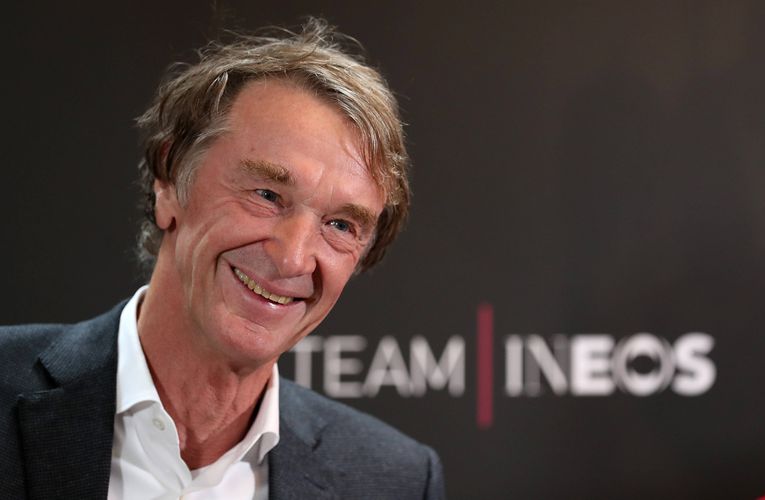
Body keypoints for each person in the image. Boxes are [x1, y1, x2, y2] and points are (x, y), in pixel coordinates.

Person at [0, 18, 445, 500]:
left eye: (340, 225)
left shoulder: (395, 481)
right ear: (170, 181)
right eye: (267, 195)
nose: (294, 258)